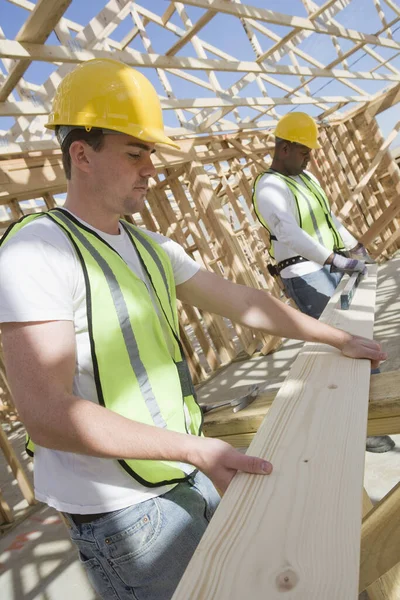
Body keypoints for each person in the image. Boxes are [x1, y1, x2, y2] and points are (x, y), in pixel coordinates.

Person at [0, 60, 386, 600]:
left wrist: (336, 337)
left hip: (179, 467)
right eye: (135, 153)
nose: (150, 167)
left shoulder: (145, 244)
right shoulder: (37, 250)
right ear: (81, 155)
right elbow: (45, 413)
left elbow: (244, 302)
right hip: (122, 513)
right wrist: (194, 451)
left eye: (151, 153)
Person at [252, 111, 394, 454]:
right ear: (283, 147)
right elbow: (287, 231)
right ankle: (361, 429)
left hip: (332, 264)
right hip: (304, 273)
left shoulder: (307, 178)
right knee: (340, 346)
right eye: (303, 152)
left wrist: (355, 248)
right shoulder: (269, 186)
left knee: (359, 338)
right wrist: (334, 259)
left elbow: (328, 219)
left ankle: (370, 415)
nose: (309, 158)